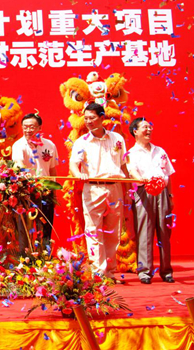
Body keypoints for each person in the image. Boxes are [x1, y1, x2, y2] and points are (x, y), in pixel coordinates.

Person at [69, 103, 129, 280]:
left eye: (92, 118)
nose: (88, 121)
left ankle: (110, 271)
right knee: (93, 230)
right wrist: (78, 174)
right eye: (86, 118)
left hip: (115, 187)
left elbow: (124, 165)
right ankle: (98, 272)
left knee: (113, 231)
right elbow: (73, 164)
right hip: (93, 188)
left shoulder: (117, 138)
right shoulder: (82, 142)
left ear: (102, 118)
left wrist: (128, 190)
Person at [127, 117, 175, 284]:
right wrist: (142, 180)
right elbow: (132, 171)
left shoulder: (160, 151)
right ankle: (145, 272)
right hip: (143, 192)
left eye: (150, 127)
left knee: (164, 231)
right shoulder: (131, 153)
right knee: (144, 231)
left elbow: (168, 174)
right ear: (135, 131)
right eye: (145, 127)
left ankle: (166, 270)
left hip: (162, 192)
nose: (149, 130)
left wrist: (170, 196)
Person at [12, 113, 59, 254]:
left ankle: (45, 258)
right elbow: (19, 164)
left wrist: (54, 193)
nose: (28, 130)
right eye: (25, 127)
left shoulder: (50, 145)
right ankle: (25, 259)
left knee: (45, 227)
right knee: (24, 228)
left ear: (39, 128)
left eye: (32, 127)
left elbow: (52, 170)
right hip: (25, 192)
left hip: (45, 192)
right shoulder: (18, 145)